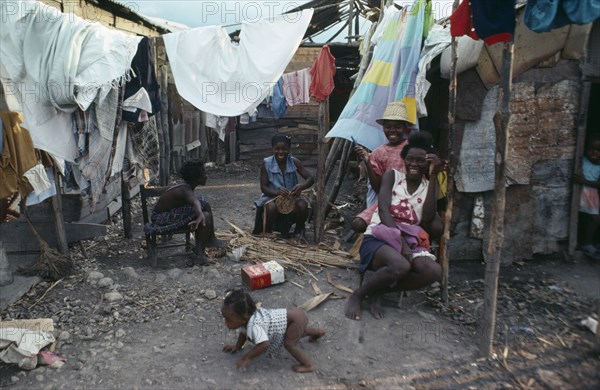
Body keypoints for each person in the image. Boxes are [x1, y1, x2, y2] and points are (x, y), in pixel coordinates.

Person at [345, 133, 443, 321]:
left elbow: (428, 217)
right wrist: (400, 240)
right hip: (379, 236)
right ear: (404, 160)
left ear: (428, 163)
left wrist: (435, 173)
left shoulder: (429, 185)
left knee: (434, 271)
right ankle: (358, 294)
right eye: (410, 159)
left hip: (410, 240)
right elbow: (383, 209)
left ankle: (377, 290)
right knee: (401, 265)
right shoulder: (393, 176)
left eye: (420, 161)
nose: (414, 164)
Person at [143, 160, 226, 266]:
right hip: (162, 219)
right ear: (197, 177)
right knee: (205, 212)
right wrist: (200, 215)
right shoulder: (185, 190)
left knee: (205, 205)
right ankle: (201, 254)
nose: (207, 175)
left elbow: (194, 202)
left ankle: (210, 240)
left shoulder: (186, 187)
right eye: (205, 173)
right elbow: (194, 201)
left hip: (168, 215)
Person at [221, 289, 325, 373]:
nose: (225, 322)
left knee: (289, 343)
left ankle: (308, 365)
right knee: (296, 332)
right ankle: (318, 332)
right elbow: (243, 332)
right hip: (295, 317)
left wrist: (246, 358)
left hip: (295, 320)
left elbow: (264, 344)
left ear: (243, 318)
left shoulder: (254, 326)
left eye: (228, 319)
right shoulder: (246, 320)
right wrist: (237, 346)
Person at [350, 101, 414, 233]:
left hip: (411, 199)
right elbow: (378, 187)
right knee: (357, 224)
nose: (392, 131)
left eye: (397, 127)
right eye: (388, 126)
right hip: (386, 202)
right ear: (383, 127)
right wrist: (367, 161)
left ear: (405, 128)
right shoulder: (378, 153)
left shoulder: (413, 148)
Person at [253, 134, 315, 240]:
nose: (281, 152)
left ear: (289, 149)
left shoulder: (294, 162)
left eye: (284, 149)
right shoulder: (267, 163)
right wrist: (277, 192)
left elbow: (310, 178)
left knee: (303, 205)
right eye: (277, 149)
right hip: (271, 197)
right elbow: (263, 188)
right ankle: (268, 231)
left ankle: (299, 230)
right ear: (272, 149)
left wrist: (302, 186)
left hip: (291, 198)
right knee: (271, 207)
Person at [574, 133, 600, 260]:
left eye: (598, 150)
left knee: (595, 219)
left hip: (592, 194)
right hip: (579, 192)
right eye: (590, 149)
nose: (593, 153)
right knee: (579, 217)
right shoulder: (582, 160)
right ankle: (580, 242)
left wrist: (584, 181)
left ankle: (587, 242)